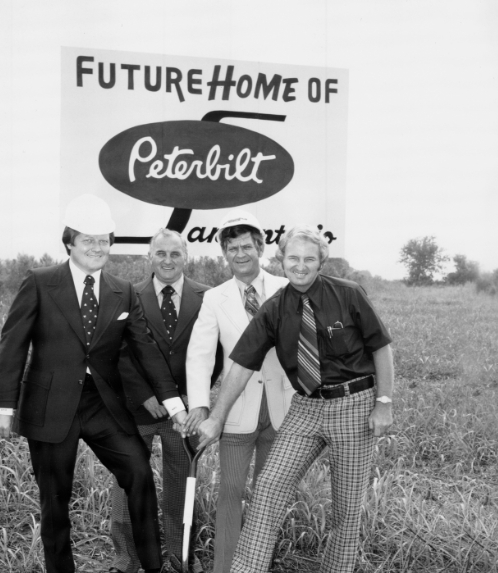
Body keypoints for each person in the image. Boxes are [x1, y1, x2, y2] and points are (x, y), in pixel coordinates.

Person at [0, 194, 188, 573]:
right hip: (50, 406)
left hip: (103, 406)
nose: (98, 248)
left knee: (139, 474)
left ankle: (152, 566)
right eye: (88, 240)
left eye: (104, 240)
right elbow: (12, 344)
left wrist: (175, 405)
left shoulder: (122, 290)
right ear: (69, 243)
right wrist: (3, 406)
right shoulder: (41, 282)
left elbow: (146, 351)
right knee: (55, 500)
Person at [195, 225, 394, 573]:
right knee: (269, 488)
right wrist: (216, 417)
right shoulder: (274, 308)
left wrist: (384, 402)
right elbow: (241, 365)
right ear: (280, 259)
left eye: (309, 259)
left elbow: (381, 346)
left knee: (346, 510)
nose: (300, 265)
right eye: (293, 258)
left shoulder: (348, 294)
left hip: (353, 404)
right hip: (304, 407)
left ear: (320, 262)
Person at [183, 211, 294, 573]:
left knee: (269, 497)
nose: (240, 254)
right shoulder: (215, 299)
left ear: (260, 248)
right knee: (230, 493)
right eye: (232, 248)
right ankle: (225, 568)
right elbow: (199, 355)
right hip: (235, 412)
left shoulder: (286, 288)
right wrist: (200, 405)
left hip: (283, 410)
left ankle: (258, 566)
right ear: (224, 254)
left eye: (247, 246)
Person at [108, 228, 223, 573]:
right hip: (135, 407)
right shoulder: (128, 295)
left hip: (185, 413)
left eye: (175, 254)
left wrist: (190, 398)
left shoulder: (208, 297)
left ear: (186, 257)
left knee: (180, 486)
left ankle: (179, 558)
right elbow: (119, 351)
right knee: (128, 487)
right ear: (149, 257)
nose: (168, 261)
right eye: (161, 253)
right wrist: (146, 396)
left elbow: (214, 353)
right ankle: (126, 560)